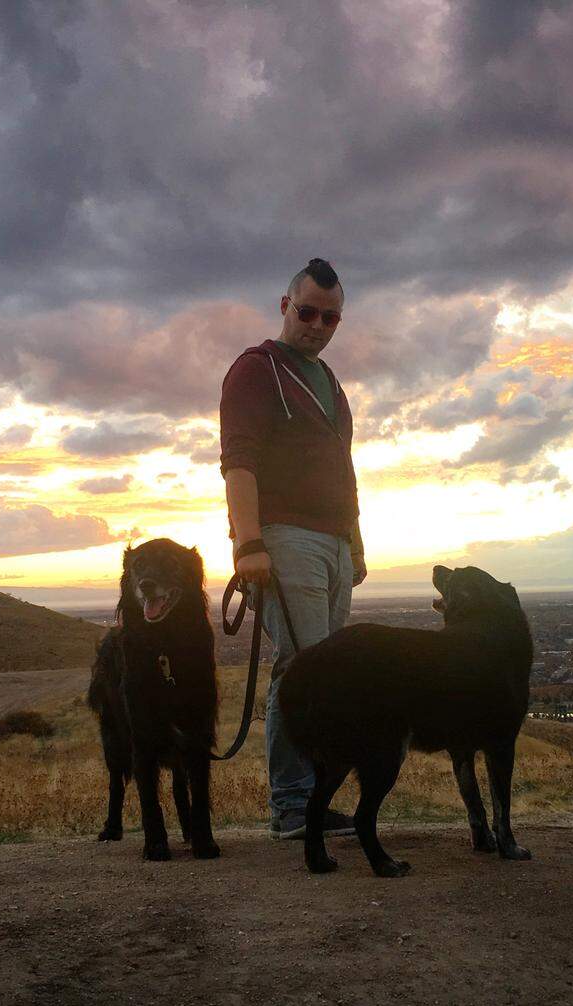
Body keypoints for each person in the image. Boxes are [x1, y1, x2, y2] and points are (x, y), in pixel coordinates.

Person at [219, 257, 366, 840]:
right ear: (285, 307)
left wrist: (353, 539)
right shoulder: (255, 370)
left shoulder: (330, 383)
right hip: (284, 539)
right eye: (308, 312)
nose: (319, 326)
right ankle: (292, 805)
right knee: (301, 669)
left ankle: (310, 799)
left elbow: (345, 470)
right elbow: (239, 462)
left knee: (320, 672)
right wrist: (249, 544)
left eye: (331, 318)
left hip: (332, 543)